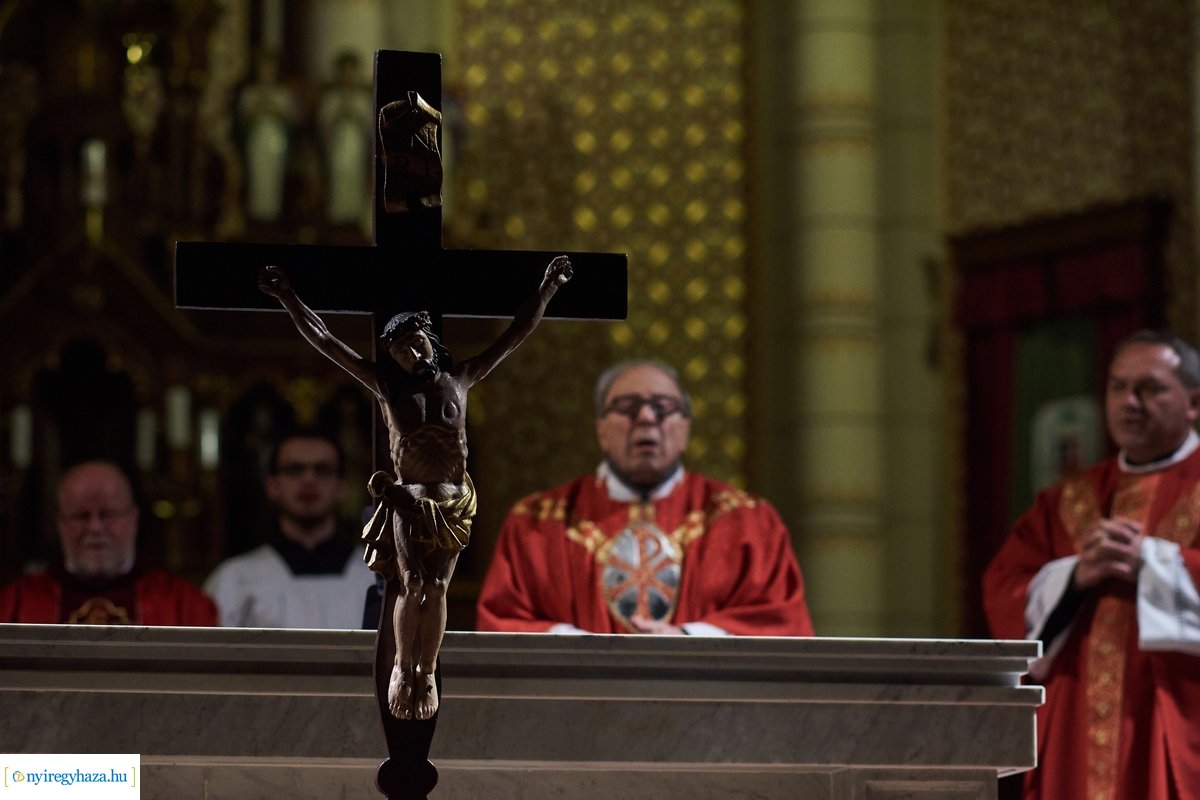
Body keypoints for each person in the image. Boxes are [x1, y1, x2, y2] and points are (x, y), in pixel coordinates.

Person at [258, 253, 572, 722]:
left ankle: (426, 669)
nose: (413, 354)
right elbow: (325, 341)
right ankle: (405, 669)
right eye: (402, 350)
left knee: (439, 586)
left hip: (451, 499)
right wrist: (287, 297)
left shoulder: (461, 380)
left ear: (432, 341)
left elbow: (516, 333)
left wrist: (548, 288)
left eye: (417, 343)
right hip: (409, 497)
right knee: (414, 583)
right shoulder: (389, 388)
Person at [983, 329, 1200, 800]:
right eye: (1117, 387)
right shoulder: (1069, 499)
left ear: (1194, 403)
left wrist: (1154, 561)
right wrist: (1075, 576)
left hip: (1178, 719)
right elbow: (1003, 586)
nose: (1129, 402)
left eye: (1150, 388)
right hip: (1075, 720)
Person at [476, 359, 814, 637]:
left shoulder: (747, 522)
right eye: (627, 407)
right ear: (601, 430)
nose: (647, 418)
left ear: (685, 429)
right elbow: (500, 624)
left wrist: (686, 639)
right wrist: (584, 651)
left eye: (663, 407)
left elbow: (783, 623)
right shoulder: (537, 523)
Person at [0, 460, 216, 625]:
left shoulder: (185, 606)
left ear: (133, 519)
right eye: (81, 516)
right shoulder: (13, 606)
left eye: (108, 514)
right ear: (60, 524)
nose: (95, 528)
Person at [204, 429, 376, 629]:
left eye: (322, 470)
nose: (309, 480)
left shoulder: (375, 575)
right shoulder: (235, 580)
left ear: (341, 487)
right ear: (272, 486)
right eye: (295, 470)